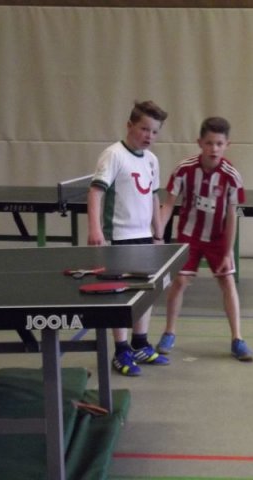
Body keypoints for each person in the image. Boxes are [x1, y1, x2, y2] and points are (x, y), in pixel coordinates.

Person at [155, 116, 253, 362]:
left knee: (227, 282)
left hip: (218, 239)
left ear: (227, 144)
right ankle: (169, 333)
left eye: (219, 144)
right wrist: (157, 235)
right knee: (179, 281)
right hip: (189, 236)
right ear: (199, 142)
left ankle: (237, 339)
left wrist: (227, 251)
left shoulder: (232, 176)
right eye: (209, 143)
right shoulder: (184, 169)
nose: (214, 149)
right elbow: (168, 205)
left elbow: (232, 216)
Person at [87, 100, 169, 376]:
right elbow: (95, 192)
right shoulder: (113, 155)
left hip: (144, 237)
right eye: (144, 129)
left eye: (154, 131)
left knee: (145, 293)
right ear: (129, 126)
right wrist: (95, 229)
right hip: (118, 238)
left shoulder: (152, 160)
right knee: (119, 296)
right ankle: (121, 350)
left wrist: (158, 233)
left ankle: (140, 344)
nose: (149, 136)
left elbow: (154, 197)